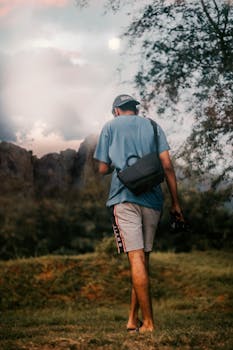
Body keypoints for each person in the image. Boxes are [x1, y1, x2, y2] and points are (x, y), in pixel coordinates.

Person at [94, 94, 184, 333]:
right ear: (135, 109)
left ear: (115, 111)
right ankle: (133, 320)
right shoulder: (153, 126)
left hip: (124, 199)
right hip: (153, 200)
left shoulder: (110, 127)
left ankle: (150, 324)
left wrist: (121, 162)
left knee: (135, 260)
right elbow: (167, 166)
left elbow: (102, 168)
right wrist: (176, 203)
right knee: (142, 260)